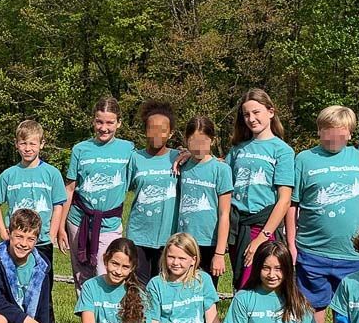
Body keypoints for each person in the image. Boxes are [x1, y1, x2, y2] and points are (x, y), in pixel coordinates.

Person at [286, 105, 359, 323]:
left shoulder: (358, 157)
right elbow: (292, 204)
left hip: (352, 251)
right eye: (328, 133)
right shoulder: (304, 159)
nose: (334, 139)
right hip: (312, 249)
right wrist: (291, 243)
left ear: (350, 135)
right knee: (313, 305)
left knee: (349, 309)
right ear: (319, 131)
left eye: (341, 134)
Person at [58, 97, 135, 290]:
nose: (104, 128)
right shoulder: (80, 149)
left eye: (110, 122)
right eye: (99, 121)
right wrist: (60, 227)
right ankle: (86, 319)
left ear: (119, 123)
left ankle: (106, 319)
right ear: (93, 121)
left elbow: (153, 160)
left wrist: (184, 153)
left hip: (109, 222)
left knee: (108, 273)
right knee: (81, 275)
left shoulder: (128, 149)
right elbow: (69, 189)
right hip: (78, 220)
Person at [225, 89, 294, 290]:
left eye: (256, 112)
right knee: (241, 282)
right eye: (246, 114)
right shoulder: (237, 149)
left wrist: (261, 238)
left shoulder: (282, 150)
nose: (251, 119)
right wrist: (189, 154)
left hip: (262, 225)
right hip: (237, 225)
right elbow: (220, 174)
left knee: (258, 281)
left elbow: (284, 200)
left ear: (270, 112)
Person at [0, 119, 67, 274]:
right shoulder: (9, 175)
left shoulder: (52, 174)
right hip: (15, 241)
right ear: (16, 144)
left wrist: (51, 235)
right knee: (13, 281)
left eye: (32, 144)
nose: (28, 148)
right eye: (23, 143)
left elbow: (58, 205)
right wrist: (4, 234)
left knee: (42, 283)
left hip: (41, 240)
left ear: (42, 144)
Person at [125, 101, 179, 284]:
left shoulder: (179, 157)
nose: (157, 134)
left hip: (168, 236)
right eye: (152, 129)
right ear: (145, 131)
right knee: (138, 286)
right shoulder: (135, 158)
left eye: (162, 130)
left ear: (171, 133)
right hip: (138, 234)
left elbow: (205, 162)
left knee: (163, 285)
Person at [176, 117, 233, 281]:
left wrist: (220, 253)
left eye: (204, 141)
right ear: (186, 140)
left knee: (205, 290)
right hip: (184, 241)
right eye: (193, 142)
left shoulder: (221, 170)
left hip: (208, 242)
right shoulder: (182, 165)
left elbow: (224, 214)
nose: (198, 147)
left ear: (212, 141)